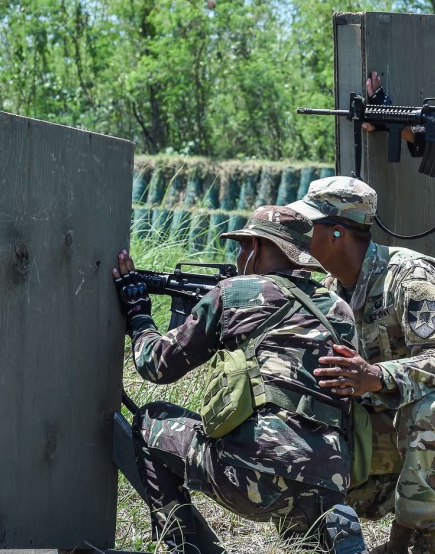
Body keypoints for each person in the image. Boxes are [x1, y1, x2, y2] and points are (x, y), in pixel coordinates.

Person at [112, 206, 369, 554]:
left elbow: (156, 365)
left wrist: (139, 312)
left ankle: (178, 547)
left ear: (258, 246)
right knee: (300, 531)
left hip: (253, 474)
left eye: (242, 246)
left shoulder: (234, 293)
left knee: (150, 420)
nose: (239, 255)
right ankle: (326, 531)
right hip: (329, 479)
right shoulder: (339, 310)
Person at [285, 176, 435, 554]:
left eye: (309, 225)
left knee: (429, 411)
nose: (299, 233)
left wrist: (375, 376)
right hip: (393, 412)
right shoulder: (329, 290)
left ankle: (417, 542)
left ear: (338, 233)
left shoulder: (411, 278)